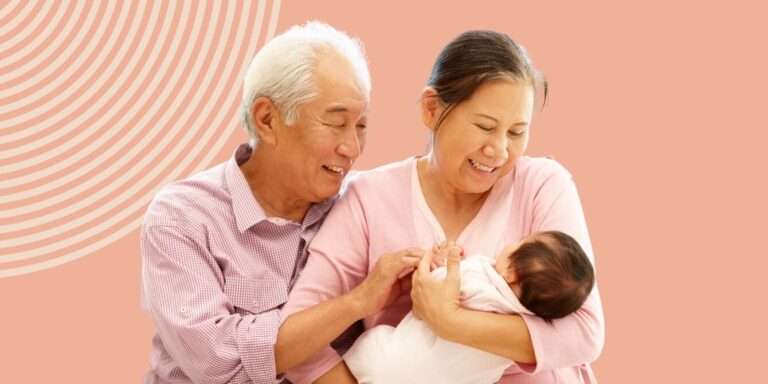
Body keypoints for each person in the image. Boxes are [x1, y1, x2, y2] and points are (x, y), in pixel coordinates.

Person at [281, 30, 605, 383]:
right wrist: (361, 301)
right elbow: (296, 346)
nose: (498, 150)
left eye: (516, 133)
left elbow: (584, 331)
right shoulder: (368, 199)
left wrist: (449, 321)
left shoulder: (541, 185)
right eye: (485, 126)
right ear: (432, 109)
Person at [140, 22, 421, 383]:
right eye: (336, 123)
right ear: (267, 120)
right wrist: (355, 302)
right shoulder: (182, 216)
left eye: (362, 126)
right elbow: (218, 365)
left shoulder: (362, 205)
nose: (351, 148)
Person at [343, 231, 596, 384]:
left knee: (374, 339)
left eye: (519, 243)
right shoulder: (520, 330)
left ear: (511, 273)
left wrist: (438, 264)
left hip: (384, 366)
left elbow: (427, 299)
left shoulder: (476, 275)